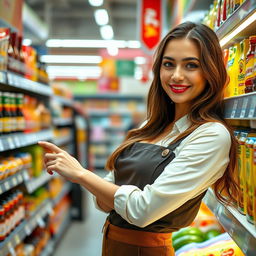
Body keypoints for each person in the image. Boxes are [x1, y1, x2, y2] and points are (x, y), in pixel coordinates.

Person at [38, 21, 238, 256]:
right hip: (112, 244)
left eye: (191, 65)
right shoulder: (149, 127)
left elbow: (142, 211)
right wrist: (104, 190)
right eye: (168, 64)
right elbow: (103, 201)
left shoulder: (211, 135)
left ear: (210, 71)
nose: (176, 76)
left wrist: (81, 174)